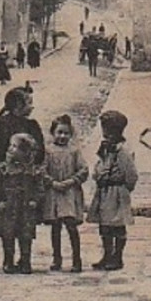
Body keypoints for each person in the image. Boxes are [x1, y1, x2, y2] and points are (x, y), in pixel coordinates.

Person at [87, 110, 136, 270]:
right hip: (104, 191)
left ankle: (117, 257)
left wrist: (124, 189)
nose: (106, 134)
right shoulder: (106, 148)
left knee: (117, 225)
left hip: (116, 192)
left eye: (109, 131)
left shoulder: (122, 151)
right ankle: (107, 255)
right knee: (105, 225)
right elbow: (99, 165)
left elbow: (130, 174)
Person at [40, 114, 89, 272]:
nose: (62, 136)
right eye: (59, 132)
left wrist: (71, 181)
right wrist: (52, 182)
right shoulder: (48, 151)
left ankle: (77, 259)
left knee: (71, 226)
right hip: (54, 192)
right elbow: (41, 170)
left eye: (66, 133)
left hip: (69, 193)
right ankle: (57, 259)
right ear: (52, 133)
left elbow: (83, 170)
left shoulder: (74, 151)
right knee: (55, 227)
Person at [0, 133, 45, 274]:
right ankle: (8, 261)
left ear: (25, 151)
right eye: (10, 145)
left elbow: (39, 188)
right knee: (7, 234)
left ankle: (25, 261)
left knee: (25, 235)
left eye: (15, 147)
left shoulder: (33, 170)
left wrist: (35, 200)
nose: (10, 149)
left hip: (25, 207)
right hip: (8, 207)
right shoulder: (3, 168)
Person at [0, 86, 44, 172]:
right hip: (3, 173)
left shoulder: (32, 125)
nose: (32, 107)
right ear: (19, 105)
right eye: (29, 103)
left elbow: (40, 153)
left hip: (27, 173)